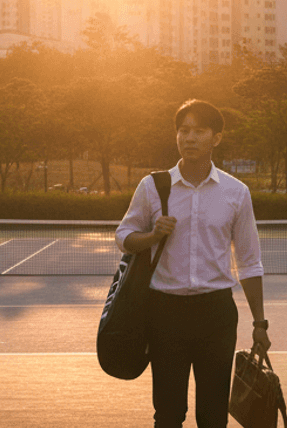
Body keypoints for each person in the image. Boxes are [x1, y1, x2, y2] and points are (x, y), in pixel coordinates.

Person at [116, 99, 271, 428]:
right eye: (183, 130)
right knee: (169, 414)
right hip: (164, 312)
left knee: (213, 416)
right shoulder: (154, 186)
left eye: (199, 131)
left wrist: (260, 323)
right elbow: (124, 236)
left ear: (216, 138)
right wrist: (153, 236)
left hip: (216, 314)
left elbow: (249, 262)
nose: (189, 137)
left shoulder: (236, 192)